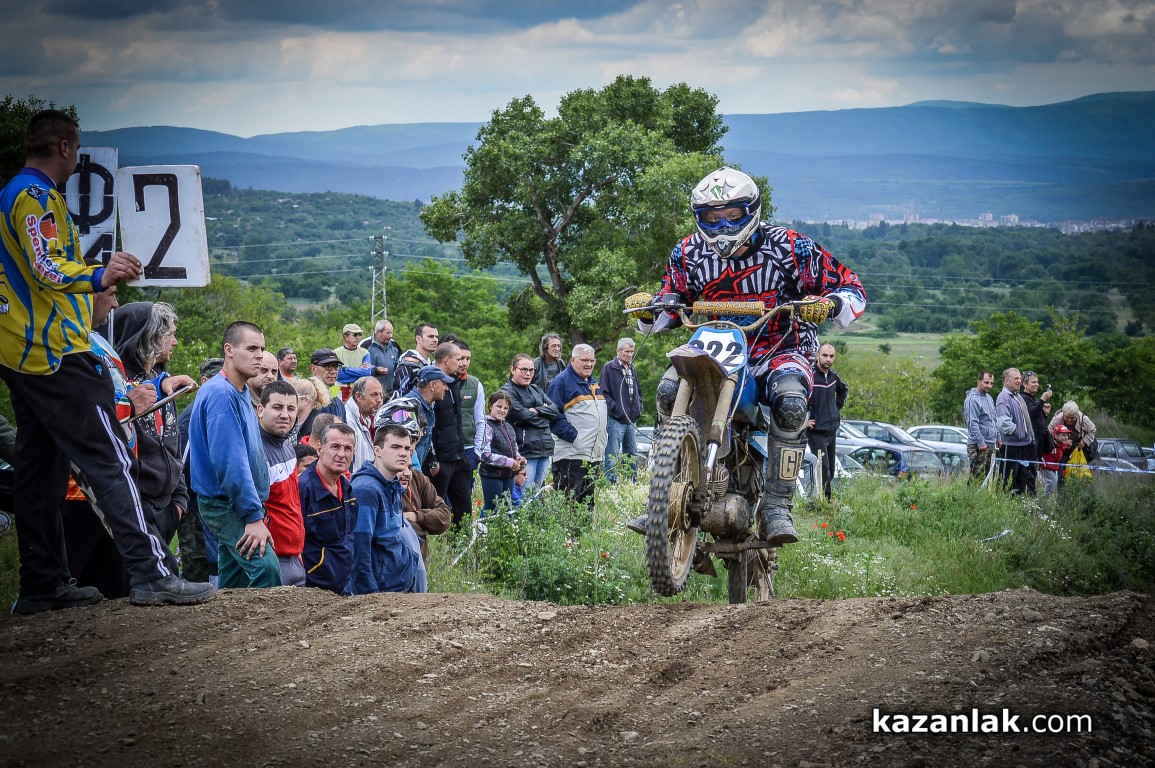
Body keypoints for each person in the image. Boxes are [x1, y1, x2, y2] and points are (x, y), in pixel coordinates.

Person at [0, 109, 214, 612]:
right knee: (110, 460)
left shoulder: (14, 193)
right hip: (58, 352)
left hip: (24, 352)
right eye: (76, 148)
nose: (76, 157)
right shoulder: (33, 196)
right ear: (65, 146)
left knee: (39, 471)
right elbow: (46, 265)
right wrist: (100, 274)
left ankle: (42, 584)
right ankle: (152, 574)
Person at [627, 167, 865, 545]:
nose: (723, 225)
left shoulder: (791, 247)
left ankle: (777, 504)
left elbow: (852, 288)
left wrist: (828, 304)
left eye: (733, 215)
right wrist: (649, 310)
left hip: (781, 345)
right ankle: (662, 496)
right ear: (699, 217)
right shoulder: (688, 252)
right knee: (669, 391)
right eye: (712, 217)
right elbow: (673, 303)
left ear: (751, 211)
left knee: (791, 403)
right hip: (715, 345)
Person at [187, 322, 280, 589]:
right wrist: (252, 517)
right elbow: (231, 464)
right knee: (266, 567)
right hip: (226, 504)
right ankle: (266, 620)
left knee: (233, 581)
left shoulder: (239, 390)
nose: (259, 355)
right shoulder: (221, 394)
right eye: (251, 348)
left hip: (236, 502)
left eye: (261, 348)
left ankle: (225, 618)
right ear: (229, 350)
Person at [107, 301, 195, 554]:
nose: (174, 342)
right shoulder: (119, 388)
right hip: (135, 508)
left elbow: (173, 446)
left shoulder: (163, 383)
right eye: (170, 335)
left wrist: (178, 503)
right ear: (149, 337)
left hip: (167, 508)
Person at [349, 424, 427, 594]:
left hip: (399, 587)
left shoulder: (393, 485)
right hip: (381, 592)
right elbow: (359, 549)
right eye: (395, 447)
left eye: (407, 448)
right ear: (377, 451)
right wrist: (371, 595)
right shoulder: (366, 489)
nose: (403, 453)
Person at [177, 356, 226, 584]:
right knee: (198, 567)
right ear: (205, 381)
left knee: (216, 565)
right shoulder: (193, 414)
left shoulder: (216, 409)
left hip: (212, 504)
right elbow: (183, 464)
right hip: (194, 506)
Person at [257, 380, 306, 587]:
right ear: (260, 410)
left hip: (295, 555)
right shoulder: (254, 450)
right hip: (269, 558)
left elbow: (292, 504)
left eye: (291, 409)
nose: (285, 415)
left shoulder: (288, 446)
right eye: (277, 407)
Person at [299, 421, 358, 594]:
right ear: (320, 449)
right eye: (335, 447)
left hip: (343, 585)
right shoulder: (303, 488)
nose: (341, 454)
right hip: (312, 588)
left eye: (348, 448)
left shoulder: (347, 488)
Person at [547, 344, 609, 507]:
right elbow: (553, 416)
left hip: (593, 455)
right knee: (569, 503)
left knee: (587, 505)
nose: (589, 364)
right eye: (584, 360)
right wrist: (575, 438)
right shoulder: (561, 382)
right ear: (572, 360)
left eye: (592, 361)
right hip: (571, 455)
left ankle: (585, 526)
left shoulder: (593, 383)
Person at [427, 342, 473, 525]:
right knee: (434, 510)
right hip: (440, 460)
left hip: (459, 457)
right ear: (447, 360)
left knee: (465, 512)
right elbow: (426, 425)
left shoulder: (454, 383)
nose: (461, 363)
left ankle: (461, 540)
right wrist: (432, 459)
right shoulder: (430, 382)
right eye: (458, 359)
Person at [501, 353, 560, 493]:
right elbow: (523, 415)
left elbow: (555, 411)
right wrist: (544, 414)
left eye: (531, 370)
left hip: (544, 450)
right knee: (525, 495)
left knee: (537, 494)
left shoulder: (536, 389)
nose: (528, 374)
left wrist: (536, 410)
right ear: (513, 370)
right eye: (523, 370)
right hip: (525, 452)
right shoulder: (507, 392)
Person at [806, 343, 848, 501]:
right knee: (823, 470)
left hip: (831, 430)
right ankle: (823, 502)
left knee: (830, 468)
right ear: (818, 355)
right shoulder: (810, 377)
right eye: (825, 355)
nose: (828, 359)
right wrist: (804, 421)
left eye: (831, 356)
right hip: (816, 432)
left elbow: (844, 390)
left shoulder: (833, 376)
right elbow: (800, 399)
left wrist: (836, 408)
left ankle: (825, 501)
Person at [599, 338, 643, 483]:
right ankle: (610, 484)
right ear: (618, 351)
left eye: (631, 352)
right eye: (627, 351)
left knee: (631, 454)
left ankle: (631, 484)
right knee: (612, 455)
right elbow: (603, 392)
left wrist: (639, 407)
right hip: (615, 420)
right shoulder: (609, 368)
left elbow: (637, 390)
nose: (630, 354)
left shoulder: (632, 368)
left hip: (631, 420)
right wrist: (615, 409)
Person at [478, 390, 526, 515]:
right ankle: (482, 527)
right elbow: (484, 455)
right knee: (493, 510)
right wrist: (508, 462)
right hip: (492, 475)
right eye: (499, 406)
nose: (502, 410)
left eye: (505, 408)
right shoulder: (486, 426)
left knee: (507, 509)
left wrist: (519, 458)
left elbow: (514, 449)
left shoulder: (508, 427)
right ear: (490, 406)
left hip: (508, 475)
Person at [403, 365, 453, 472]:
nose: (446, 388)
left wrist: (432, 459)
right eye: (444, 383)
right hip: (407, 470)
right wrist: (415, 471)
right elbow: (405, 444)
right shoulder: (409, 405)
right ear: (433, 385)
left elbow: (425, 438)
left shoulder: (429, 404)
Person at [398, 466, 451, 565]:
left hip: (420, 564)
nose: (407, 473)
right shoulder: (376, 487)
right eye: (401, 468)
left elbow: (445, 515)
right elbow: (395, 526)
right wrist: (424, 526)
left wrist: (416, 516)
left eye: (409, 468)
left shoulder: (417, 478)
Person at [994, 367, 1035, 495]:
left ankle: (1017, 503)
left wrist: (1028, 436)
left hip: (1023, 445)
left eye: (1020, 378)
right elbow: (1003, 423)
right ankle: (1002, 503)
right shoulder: (1003, 397)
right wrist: (1019, 432)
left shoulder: (1017, 397)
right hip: (1011, 445)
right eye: (1016, 378)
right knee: (1007, 481)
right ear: (1006, 381)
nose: (1019, 381)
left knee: (1021, 481)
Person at [1019, 371, 1054, 494]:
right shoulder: (1024, 398)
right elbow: (1031, 414)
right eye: (1033, 382)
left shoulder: (1032, 399)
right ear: (1025, 384)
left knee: (1034, 467)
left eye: (1037, 382)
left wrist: (1045, 414)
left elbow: (1038, 419)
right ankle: (1029, 493)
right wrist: (1042, 400)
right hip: (1031, 440)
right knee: (1029, 467)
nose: (1036, 384)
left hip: (1039, 440)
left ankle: (1032, 492)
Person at [299, 348, 344, 437]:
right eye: (327, 367)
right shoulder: (306, 396)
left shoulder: (337, 401)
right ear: (313, 368)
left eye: (335, 367)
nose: (333, 371)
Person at [344, 375, 384, 473]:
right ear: (358, 396)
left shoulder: (368, 418)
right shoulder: (347, 420)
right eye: (374, 395)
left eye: (381, 395)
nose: (379, 400)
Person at [963, 371, 997, 483]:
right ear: (979, 381)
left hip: (990, 444)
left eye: (991, 383)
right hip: (978, 446)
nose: (989, 386)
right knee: (977, 479)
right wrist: (980, 442)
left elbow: (993, 419)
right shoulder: (972, 399)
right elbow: (972, 423)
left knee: (988, 479)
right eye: (986, 382)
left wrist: (998, 437)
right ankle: (971, 495)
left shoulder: (989, 398)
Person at [394, 323, 439, 395]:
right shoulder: (408, 364)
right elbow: (400, 394)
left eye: (436, 337)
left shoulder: (430, 364)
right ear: (418, 339)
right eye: (431, 336)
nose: (435, 340)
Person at [367, 319, 401, 394]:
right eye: (388, 333)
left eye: (391, 333)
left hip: (391, 392)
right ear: (378, 332)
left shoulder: (394, 345)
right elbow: (361, 368)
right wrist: (375, 370)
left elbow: (399, 366)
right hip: (372, 392)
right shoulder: (366, 344)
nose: (391, 336)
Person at [1040, 423, 1072, 496]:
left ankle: (1049, 497)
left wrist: (1067, 447)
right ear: (1056, 436)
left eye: (1067, 435)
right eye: (1063, 435)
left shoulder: (1062, 445)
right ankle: (1045, 498)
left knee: (1055, 481)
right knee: (1052, 481)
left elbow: (1061, 451)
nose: (1066, 437)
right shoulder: (1049, 443)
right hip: (1046, 466)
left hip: (1054, 467)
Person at [288, 378, 316, 443]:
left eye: (293, 397)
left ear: (306, 400)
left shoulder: (315, 426)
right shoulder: (295, 421)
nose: (288, 401)